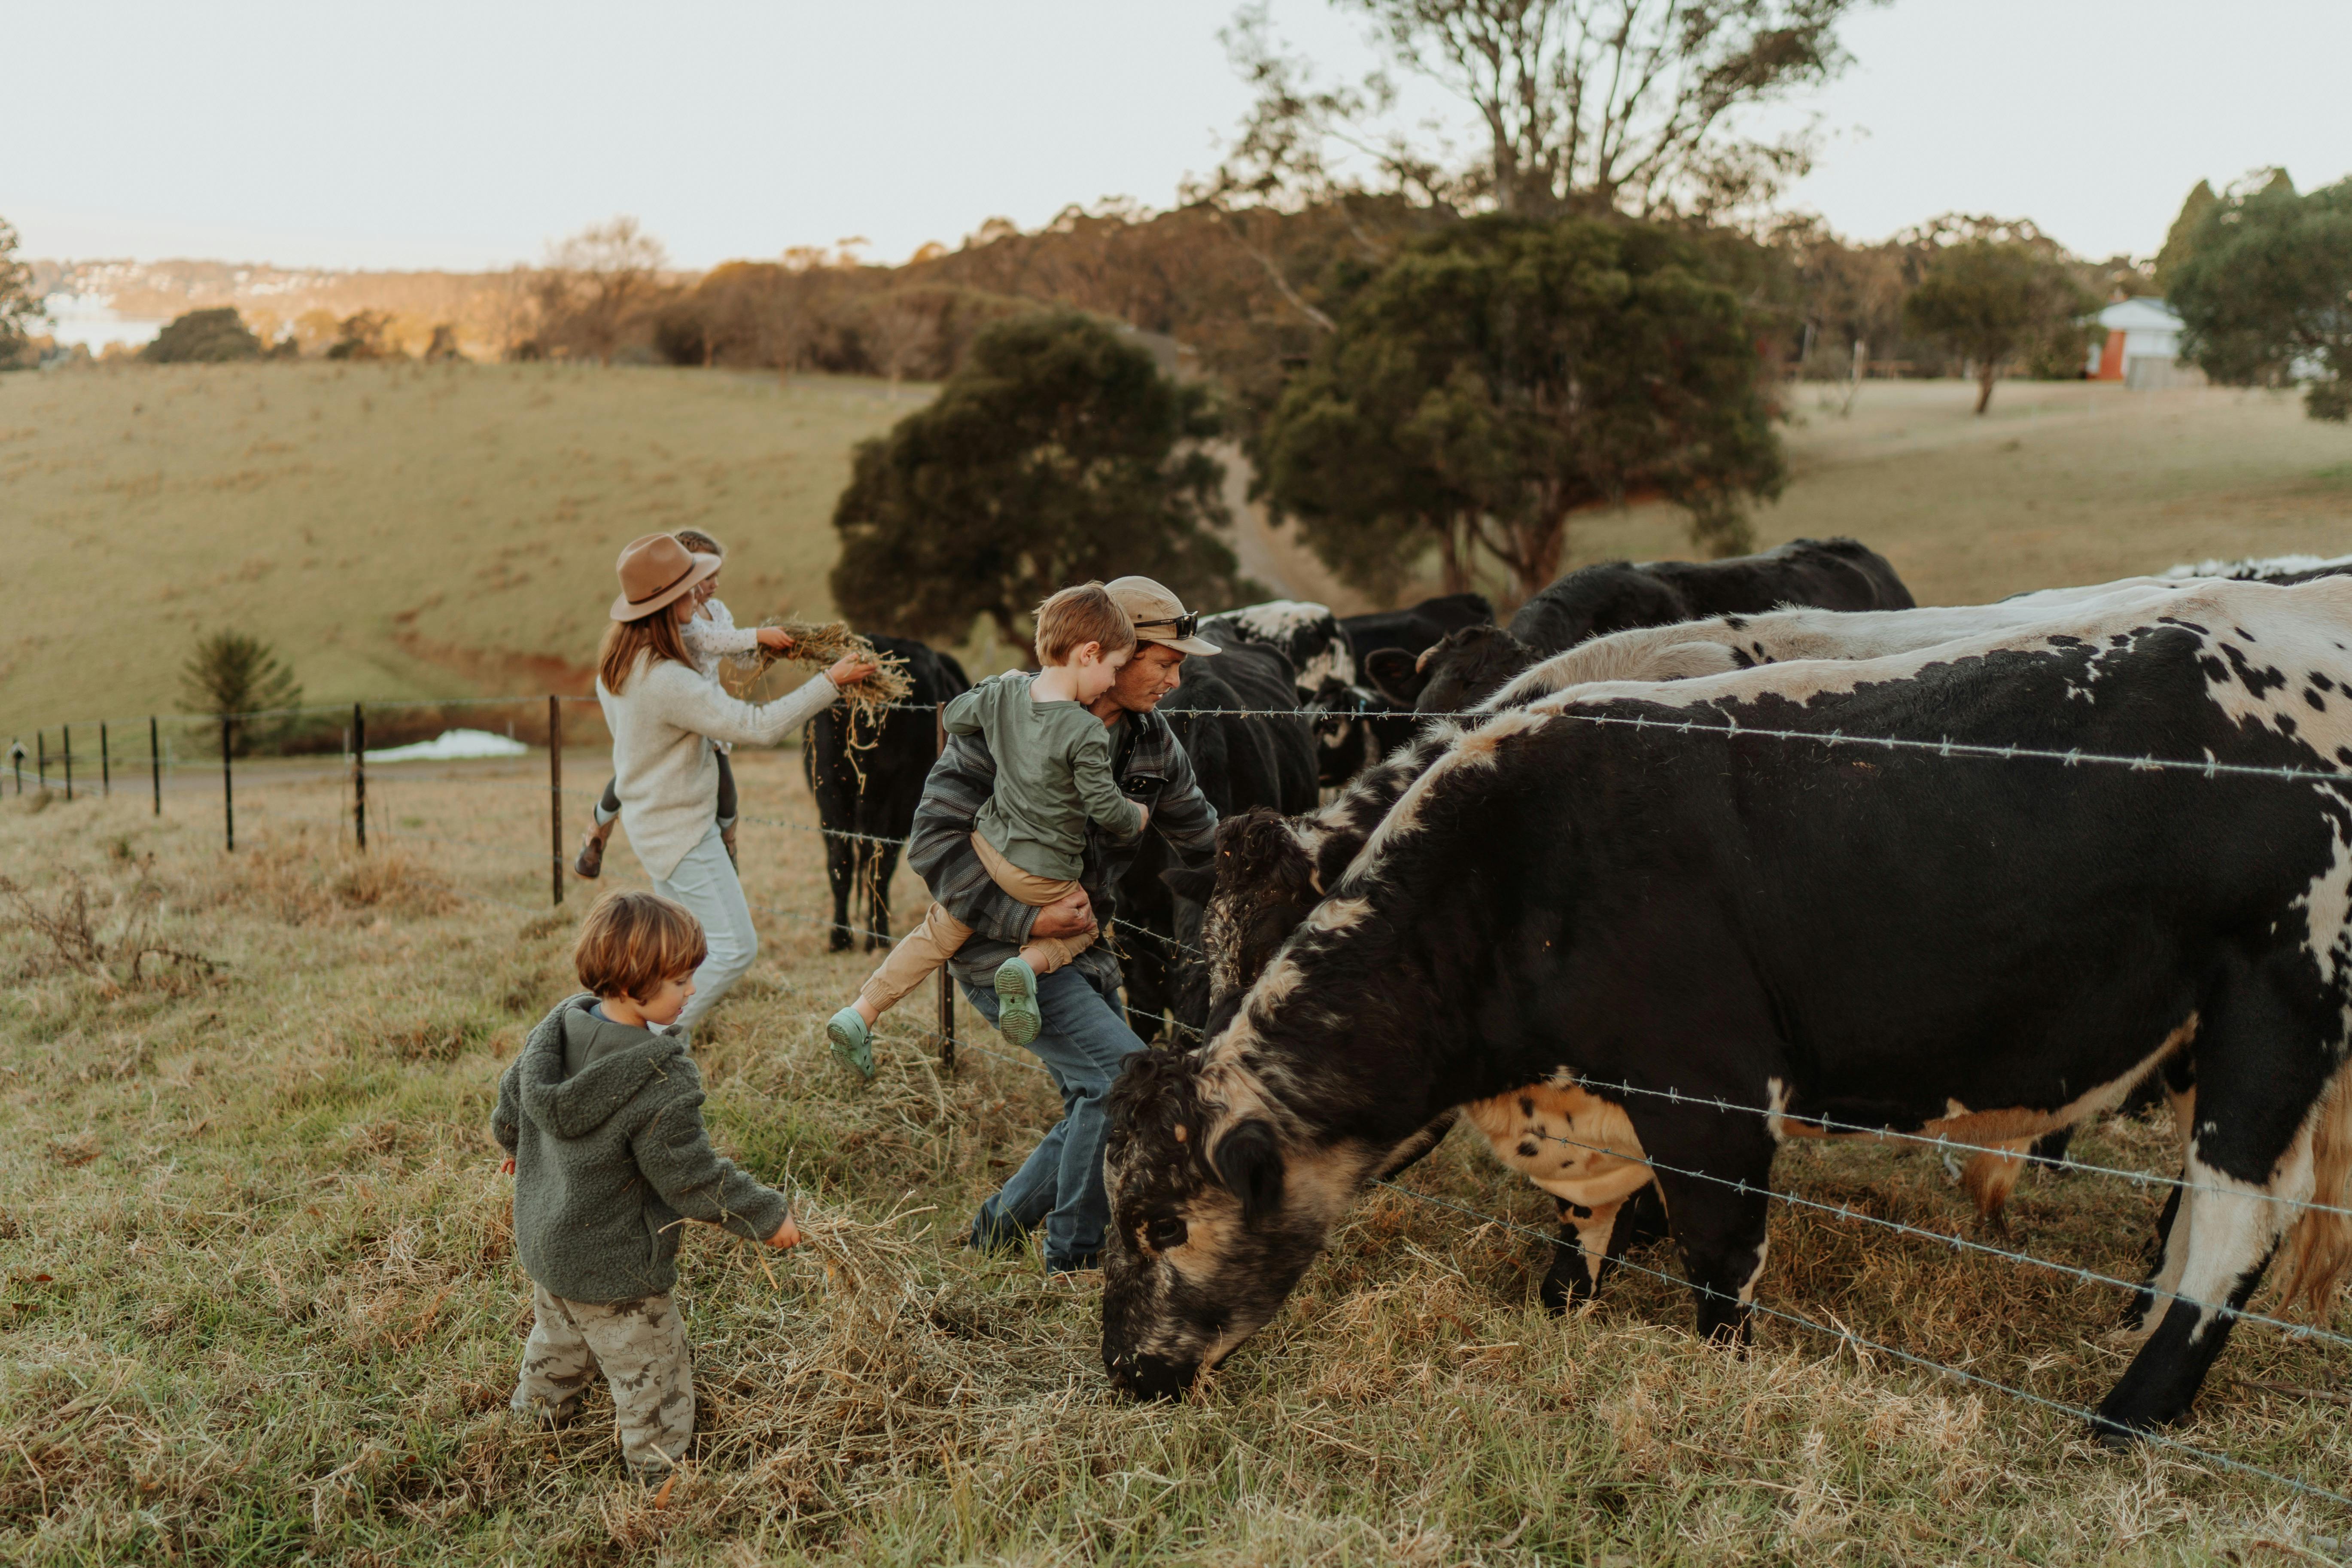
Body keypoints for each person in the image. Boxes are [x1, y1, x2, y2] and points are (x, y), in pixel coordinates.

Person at [904, 575, 1221, 1274]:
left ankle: (996, 1231)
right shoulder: (1008, 718)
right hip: (999, 949)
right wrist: (1025, 913)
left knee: (1097, 1092)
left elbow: (1204, 837)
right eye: (1166, 662)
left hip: (1083, 952)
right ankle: (1073, 1263)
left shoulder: (1151, 744)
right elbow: (932, 842)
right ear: (1110, 650)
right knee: (1122, 1079)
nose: (1176, 680)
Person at [493, 890, 800, 1481]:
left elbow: (513, 1097)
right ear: (635, 983)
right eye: (680, 980)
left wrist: (511, 1144)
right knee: (653, 1374)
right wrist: (764, 1214)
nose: (691, 991)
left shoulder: (556, 1029)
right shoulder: (659, 1078)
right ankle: (658, 1477)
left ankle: (532, 1420)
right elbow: (691, 1178)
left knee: (559, 1337)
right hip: (620, 1268)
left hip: (549, 1245)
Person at [825, 583, 1149, 1073]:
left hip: (987, 851)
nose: (1110, 683)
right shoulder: (1084, 731)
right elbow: (1106, 810)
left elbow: (954, 717)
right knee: (1082, 925)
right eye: (1112, 668)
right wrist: (1138, 815)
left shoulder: (1003, 694)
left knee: (934, 936)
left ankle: (861, 1011)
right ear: (1088, 654)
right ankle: (1025, 968)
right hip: (1042, 876)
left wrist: (996, 686)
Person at [593, 532, 876, 1037]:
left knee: (674, 952)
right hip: (681, 829)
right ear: (666, 601)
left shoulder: (619, 662)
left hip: (651, 822)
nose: (698, 593)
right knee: (734, 947)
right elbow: (757, 727)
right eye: (687, 587)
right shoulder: (667, 680)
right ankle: (652, 1045)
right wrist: (830, 682)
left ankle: (632, 1037)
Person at [577, 528, 765, 877]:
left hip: (706, 709)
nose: (713, 585)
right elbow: (711, 642)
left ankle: (727, 845)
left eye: (716, 576)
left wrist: (763, 654)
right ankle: (597, 830)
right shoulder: (685, 617)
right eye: (706, 576)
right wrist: (758, 636)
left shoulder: (718, 610)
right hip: (676, 710)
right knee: (628, 777)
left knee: (728, 793)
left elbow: (735, 652)